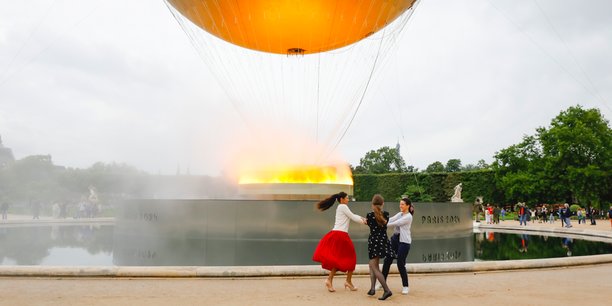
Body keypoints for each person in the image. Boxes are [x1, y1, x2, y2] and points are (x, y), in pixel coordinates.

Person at [312, 192, 365, 292]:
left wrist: (364, 220)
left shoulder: (341, 207)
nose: (348, 199)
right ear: (341, 199)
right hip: (341, 235)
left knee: (338, 260)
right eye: (347, 198)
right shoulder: (343, 207)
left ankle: (332, 280)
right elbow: (353, 217)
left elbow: (353, 216)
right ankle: (347, 281)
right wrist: (366, 221)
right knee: (351, 258)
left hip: (339, 235)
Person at [381, 197, 413, 295]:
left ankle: (405, 286)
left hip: (404, 242)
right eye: (400, 204)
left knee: (400, 263)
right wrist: (380, 220)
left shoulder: (408, 217)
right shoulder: (400, 214)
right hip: (395, 240)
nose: (400, 206)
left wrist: (384, 224)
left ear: (408, 206)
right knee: (387, 260)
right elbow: (391, 219)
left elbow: (396, 223)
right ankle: (382, 283)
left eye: (403, 204)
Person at [365, 195, 394, 300]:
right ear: (383, 204)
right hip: (383, 242)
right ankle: (372, 289)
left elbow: (368, 223)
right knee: (373, 265)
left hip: (373, 243)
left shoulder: (369, 215)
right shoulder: (386, 215)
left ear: (372, 204)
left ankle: (387, 290)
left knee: (374, 267)